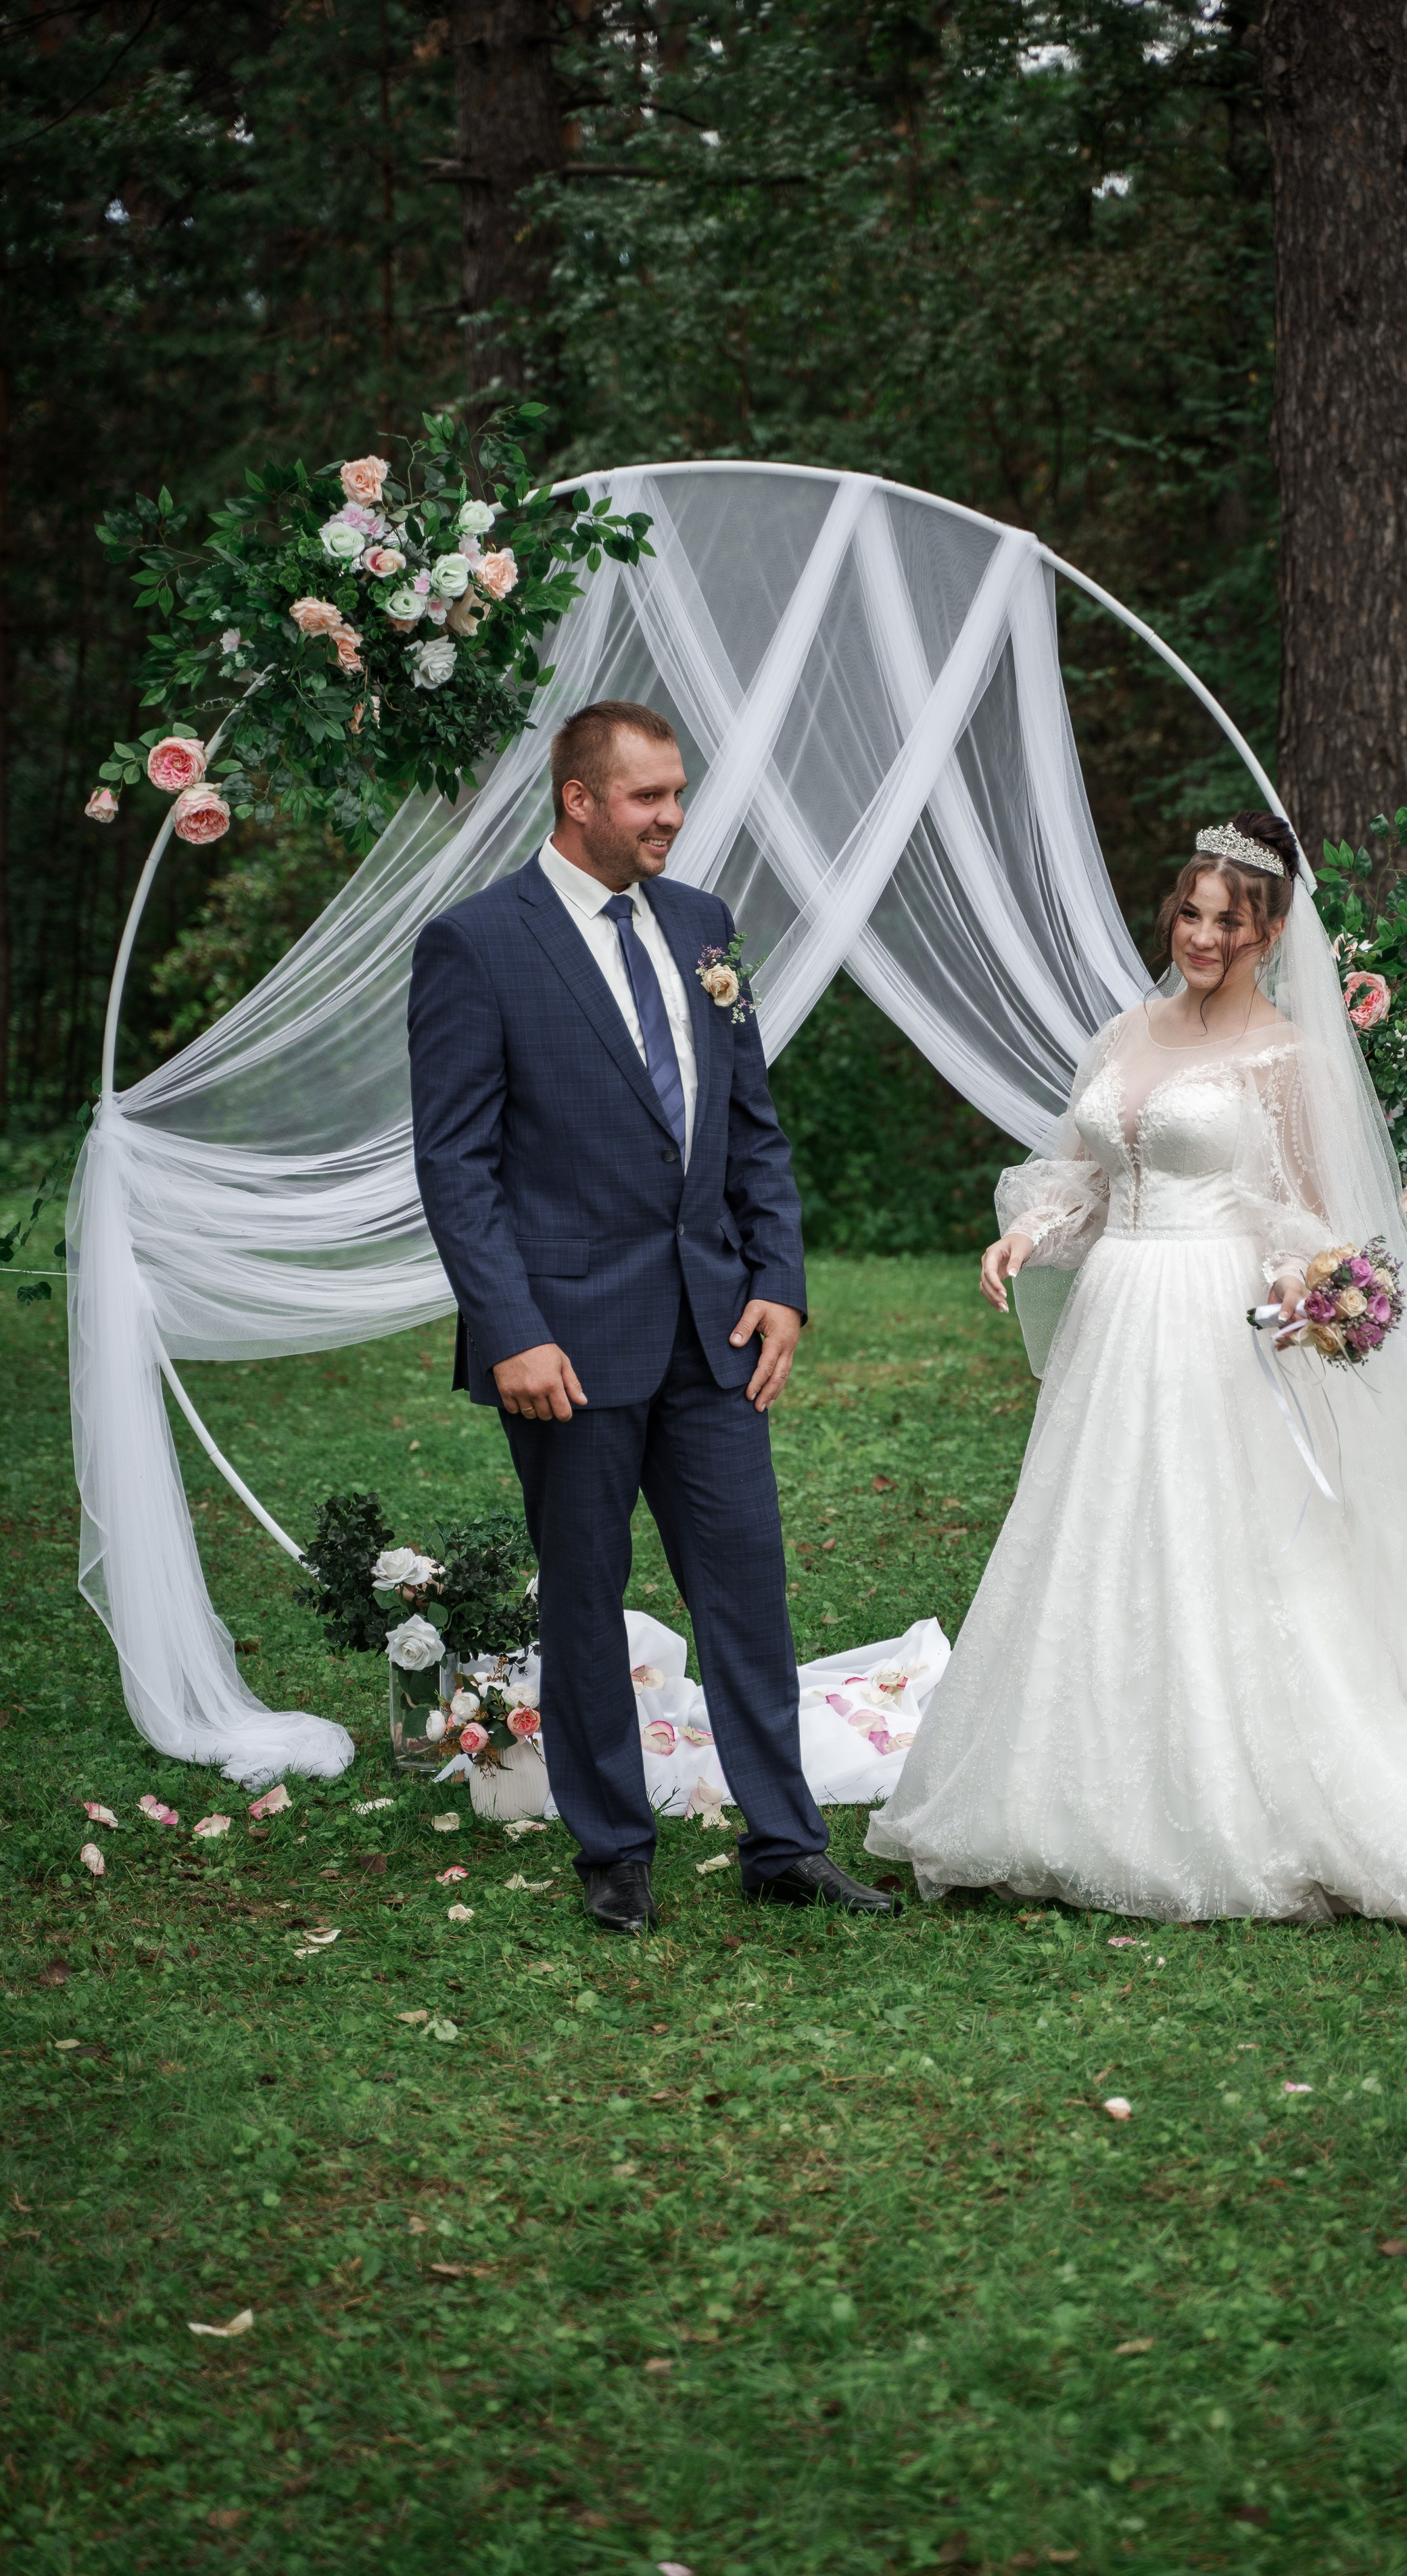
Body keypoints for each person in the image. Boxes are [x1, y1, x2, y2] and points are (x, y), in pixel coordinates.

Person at [867, 813, 1407, 1949]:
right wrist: (1024, 1234)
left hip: (1218, 1321)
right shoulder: (1129, 1030)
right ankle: (1066, 1784)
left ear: (1271, 931)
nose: (1204, 933)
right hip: (1117, 1316)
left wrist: (1310, 1295)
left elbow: (1310, 1216)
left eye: (1231, 918)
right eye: (1191, 910)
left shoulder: (1287, 1058)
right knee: (1097, 1538)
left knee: (1227, 1545)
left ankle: (1255, 1792)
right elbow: (1087, 1174)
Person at [408, 700, 895, 1933]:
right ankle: (613, 1848)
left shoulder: (701, 925)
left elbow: (750, 1129)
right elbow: (457, 1166)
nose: (675, 816)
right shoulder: (478, 944)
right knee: (582, 1591)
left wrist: (778, 1281)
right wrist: (511, 1326)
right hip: (563, 1344)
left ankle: (786, 1841)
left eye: (677, 794)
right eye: (649, 797)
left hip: (713, 1331)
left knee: (750, 1588)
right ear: (581, 799)